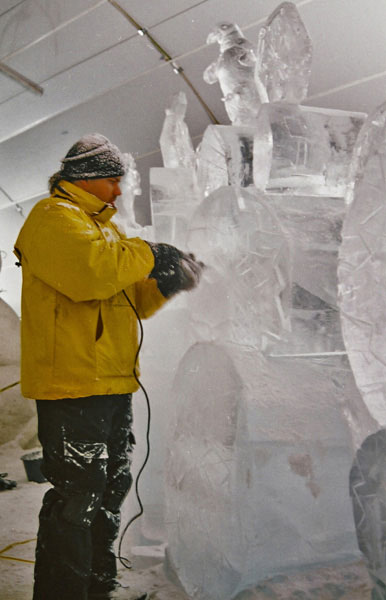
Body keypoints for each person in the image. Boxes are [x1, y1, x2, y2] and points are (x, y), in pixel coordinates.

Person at [14, 133, 203, 600]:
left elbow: (128, 302)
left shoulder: (105, 229)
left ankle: (97, 588)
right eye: (114, 180)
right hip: (72, 385)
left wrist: (168, 282)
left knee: (110, 488)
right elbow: (92, 275)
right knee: (78, 497)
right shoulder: (53, 218)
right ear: (88, 178)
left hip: (109, 382)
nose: (119, 191)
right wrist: (152, 252)